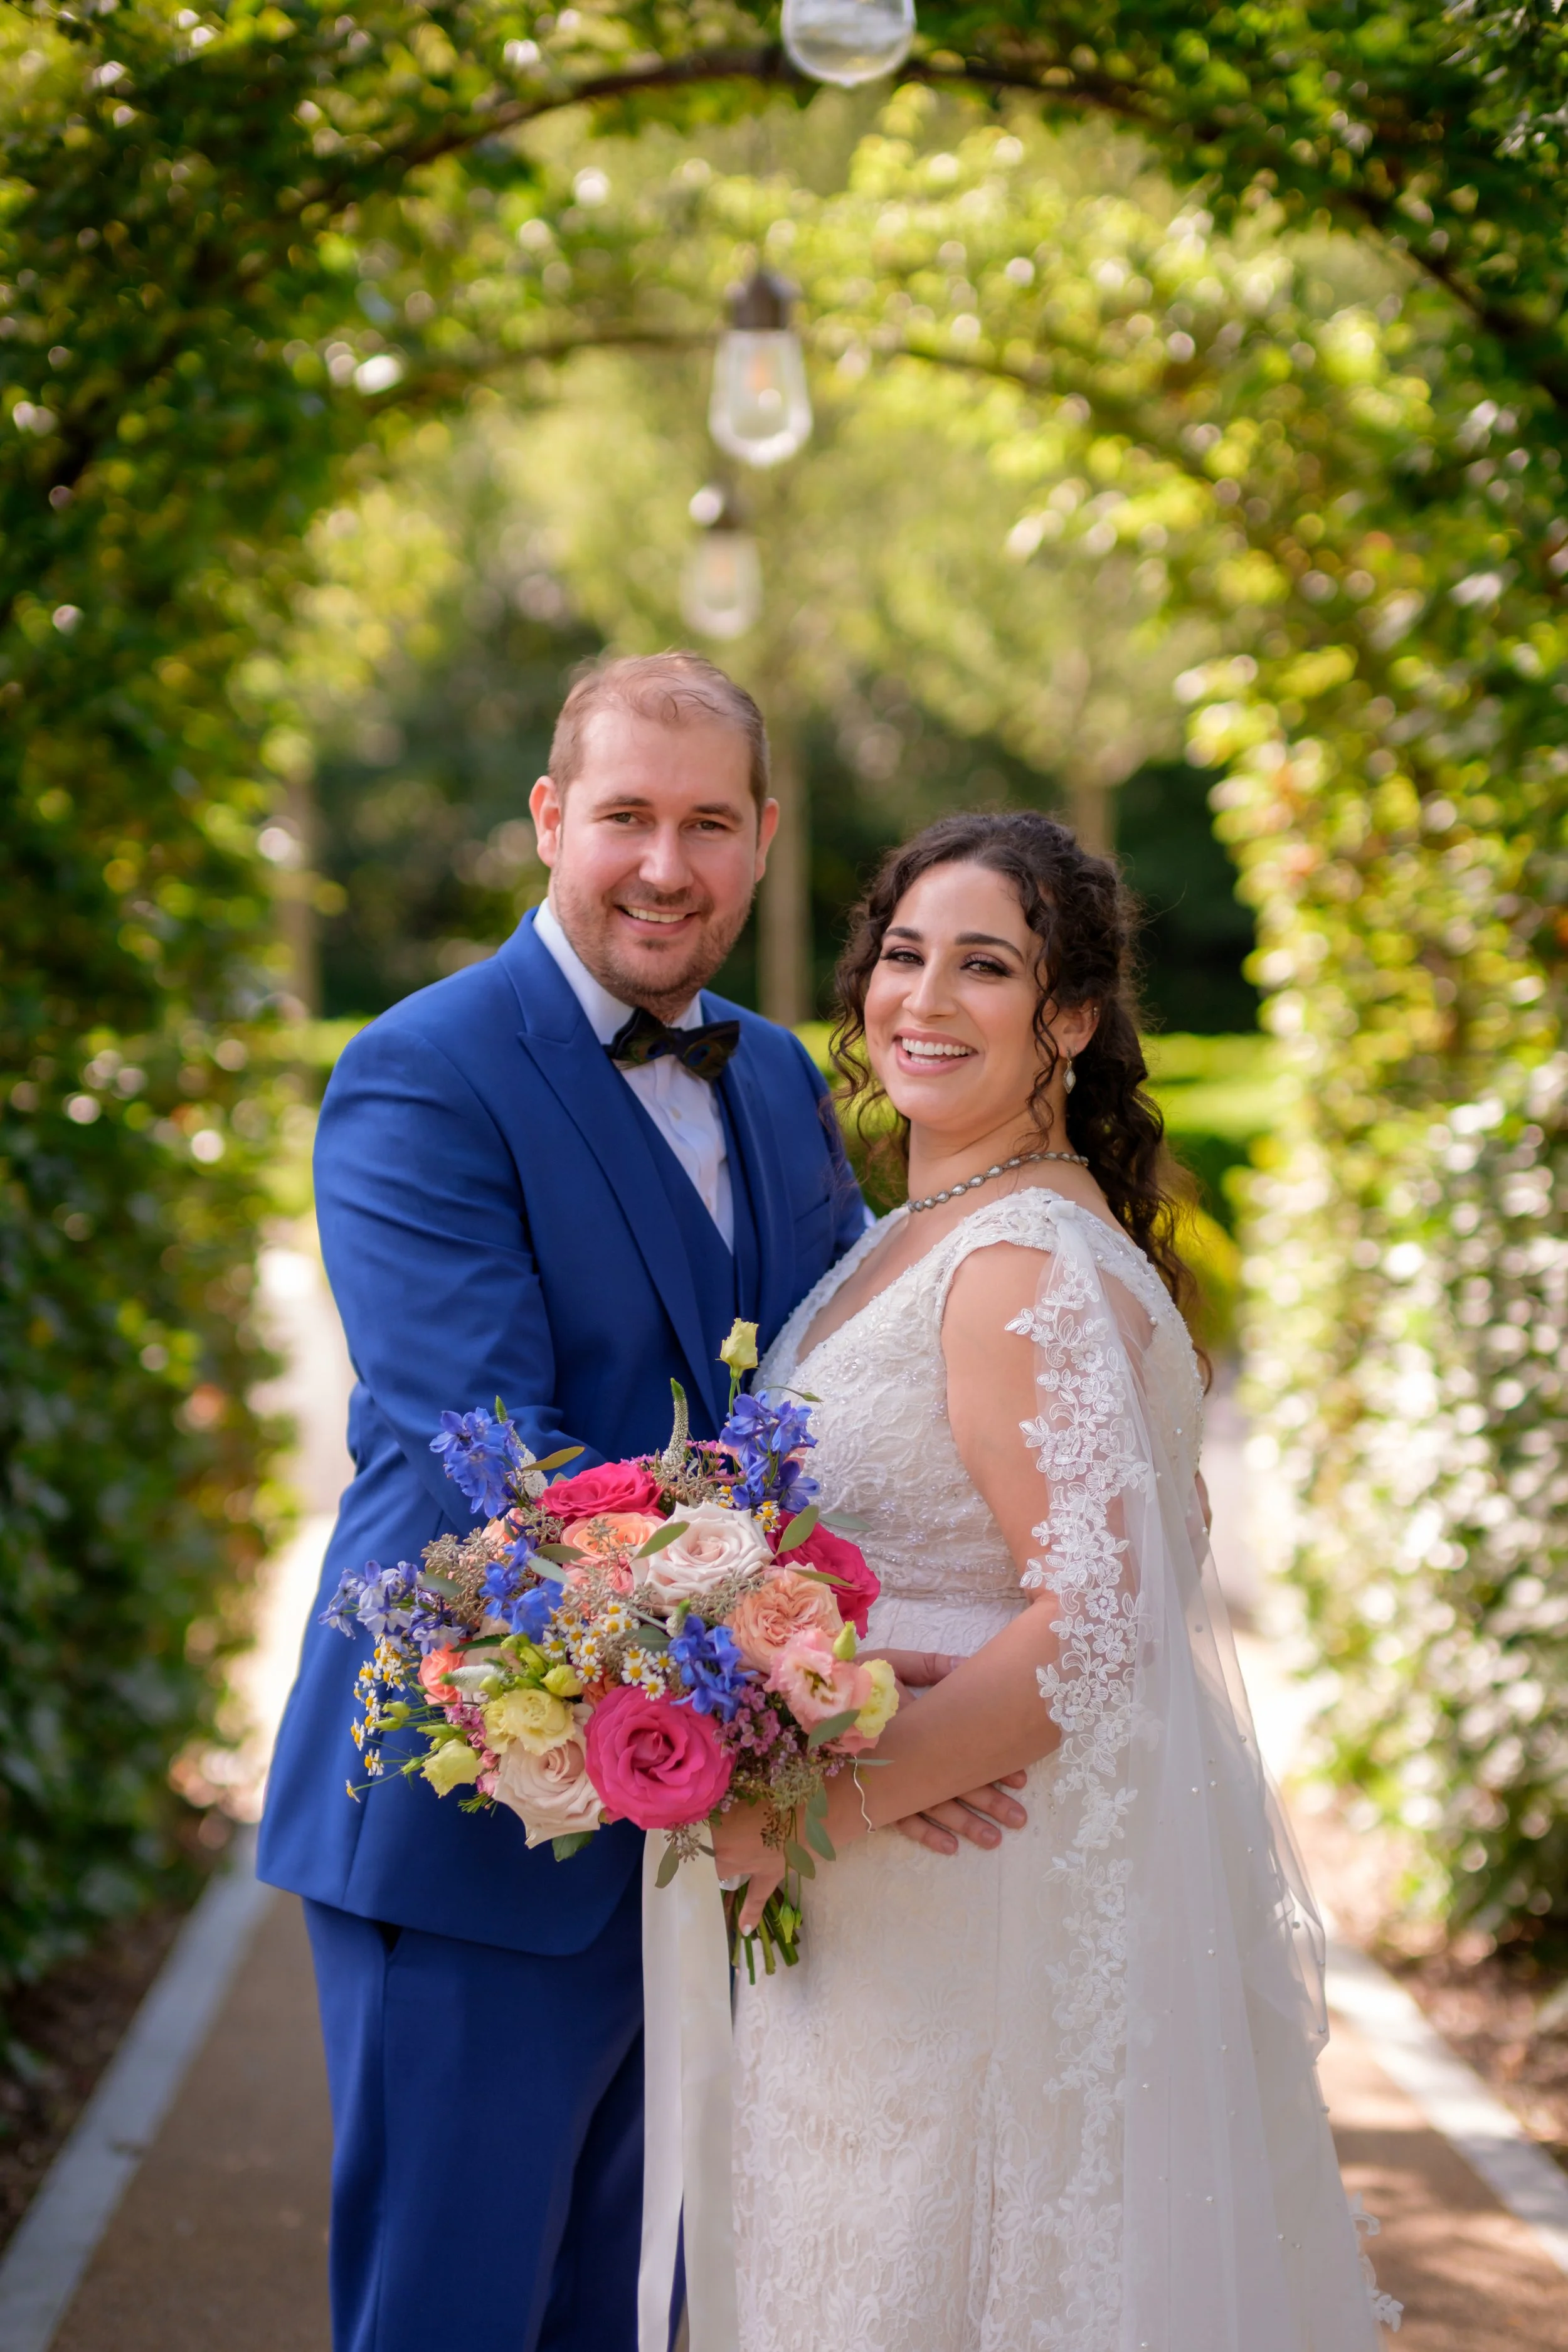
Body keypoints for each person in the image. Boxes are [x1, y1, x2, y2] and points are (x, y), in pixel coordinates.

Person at [257, 654, 1023, 2352]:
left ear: (759, 840)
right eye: (622, 817)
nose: (661, 865)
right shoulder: (419, 1074)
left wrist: (903, 1706)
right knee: (452, 2307)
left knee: (642, 2304)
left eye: (703, 823)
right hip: (477, 1800)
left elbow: (844, 1410)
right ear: (549, 820)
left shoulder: (770, 1074)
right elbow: (503, 1463)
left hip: (714, 1824)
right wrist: (831, 1681)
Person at [715, 810, 1399, 2352]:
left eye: (984, 968)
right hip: (901, 1890)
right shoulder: (917, 1233)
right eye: (901, 958)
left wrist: (808, 1803)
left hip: (960, 1886)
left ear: (1069, 1020)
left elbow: (1097, 1624)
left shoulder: (1011, 1259)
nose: (923, 1001)